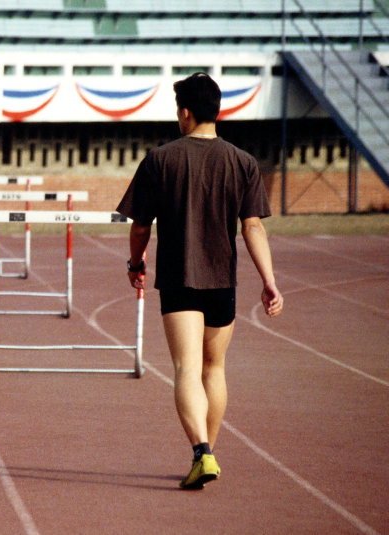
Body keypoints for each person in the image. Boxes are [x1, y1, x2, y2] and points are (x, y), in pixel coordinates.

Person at [117, 73, 283, 490]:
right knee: (215, 367)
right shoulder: (243, 162)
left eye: (178, 110)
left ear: (186, 112)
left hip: (179, 279)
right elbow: (253, 228)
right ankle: (207, 453)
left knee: (185, 367)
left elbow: (140, 226)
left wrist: (136, 261)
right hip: (222, 280)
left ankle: (201, 452)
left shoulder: (161, 159)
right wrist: (270, 281)